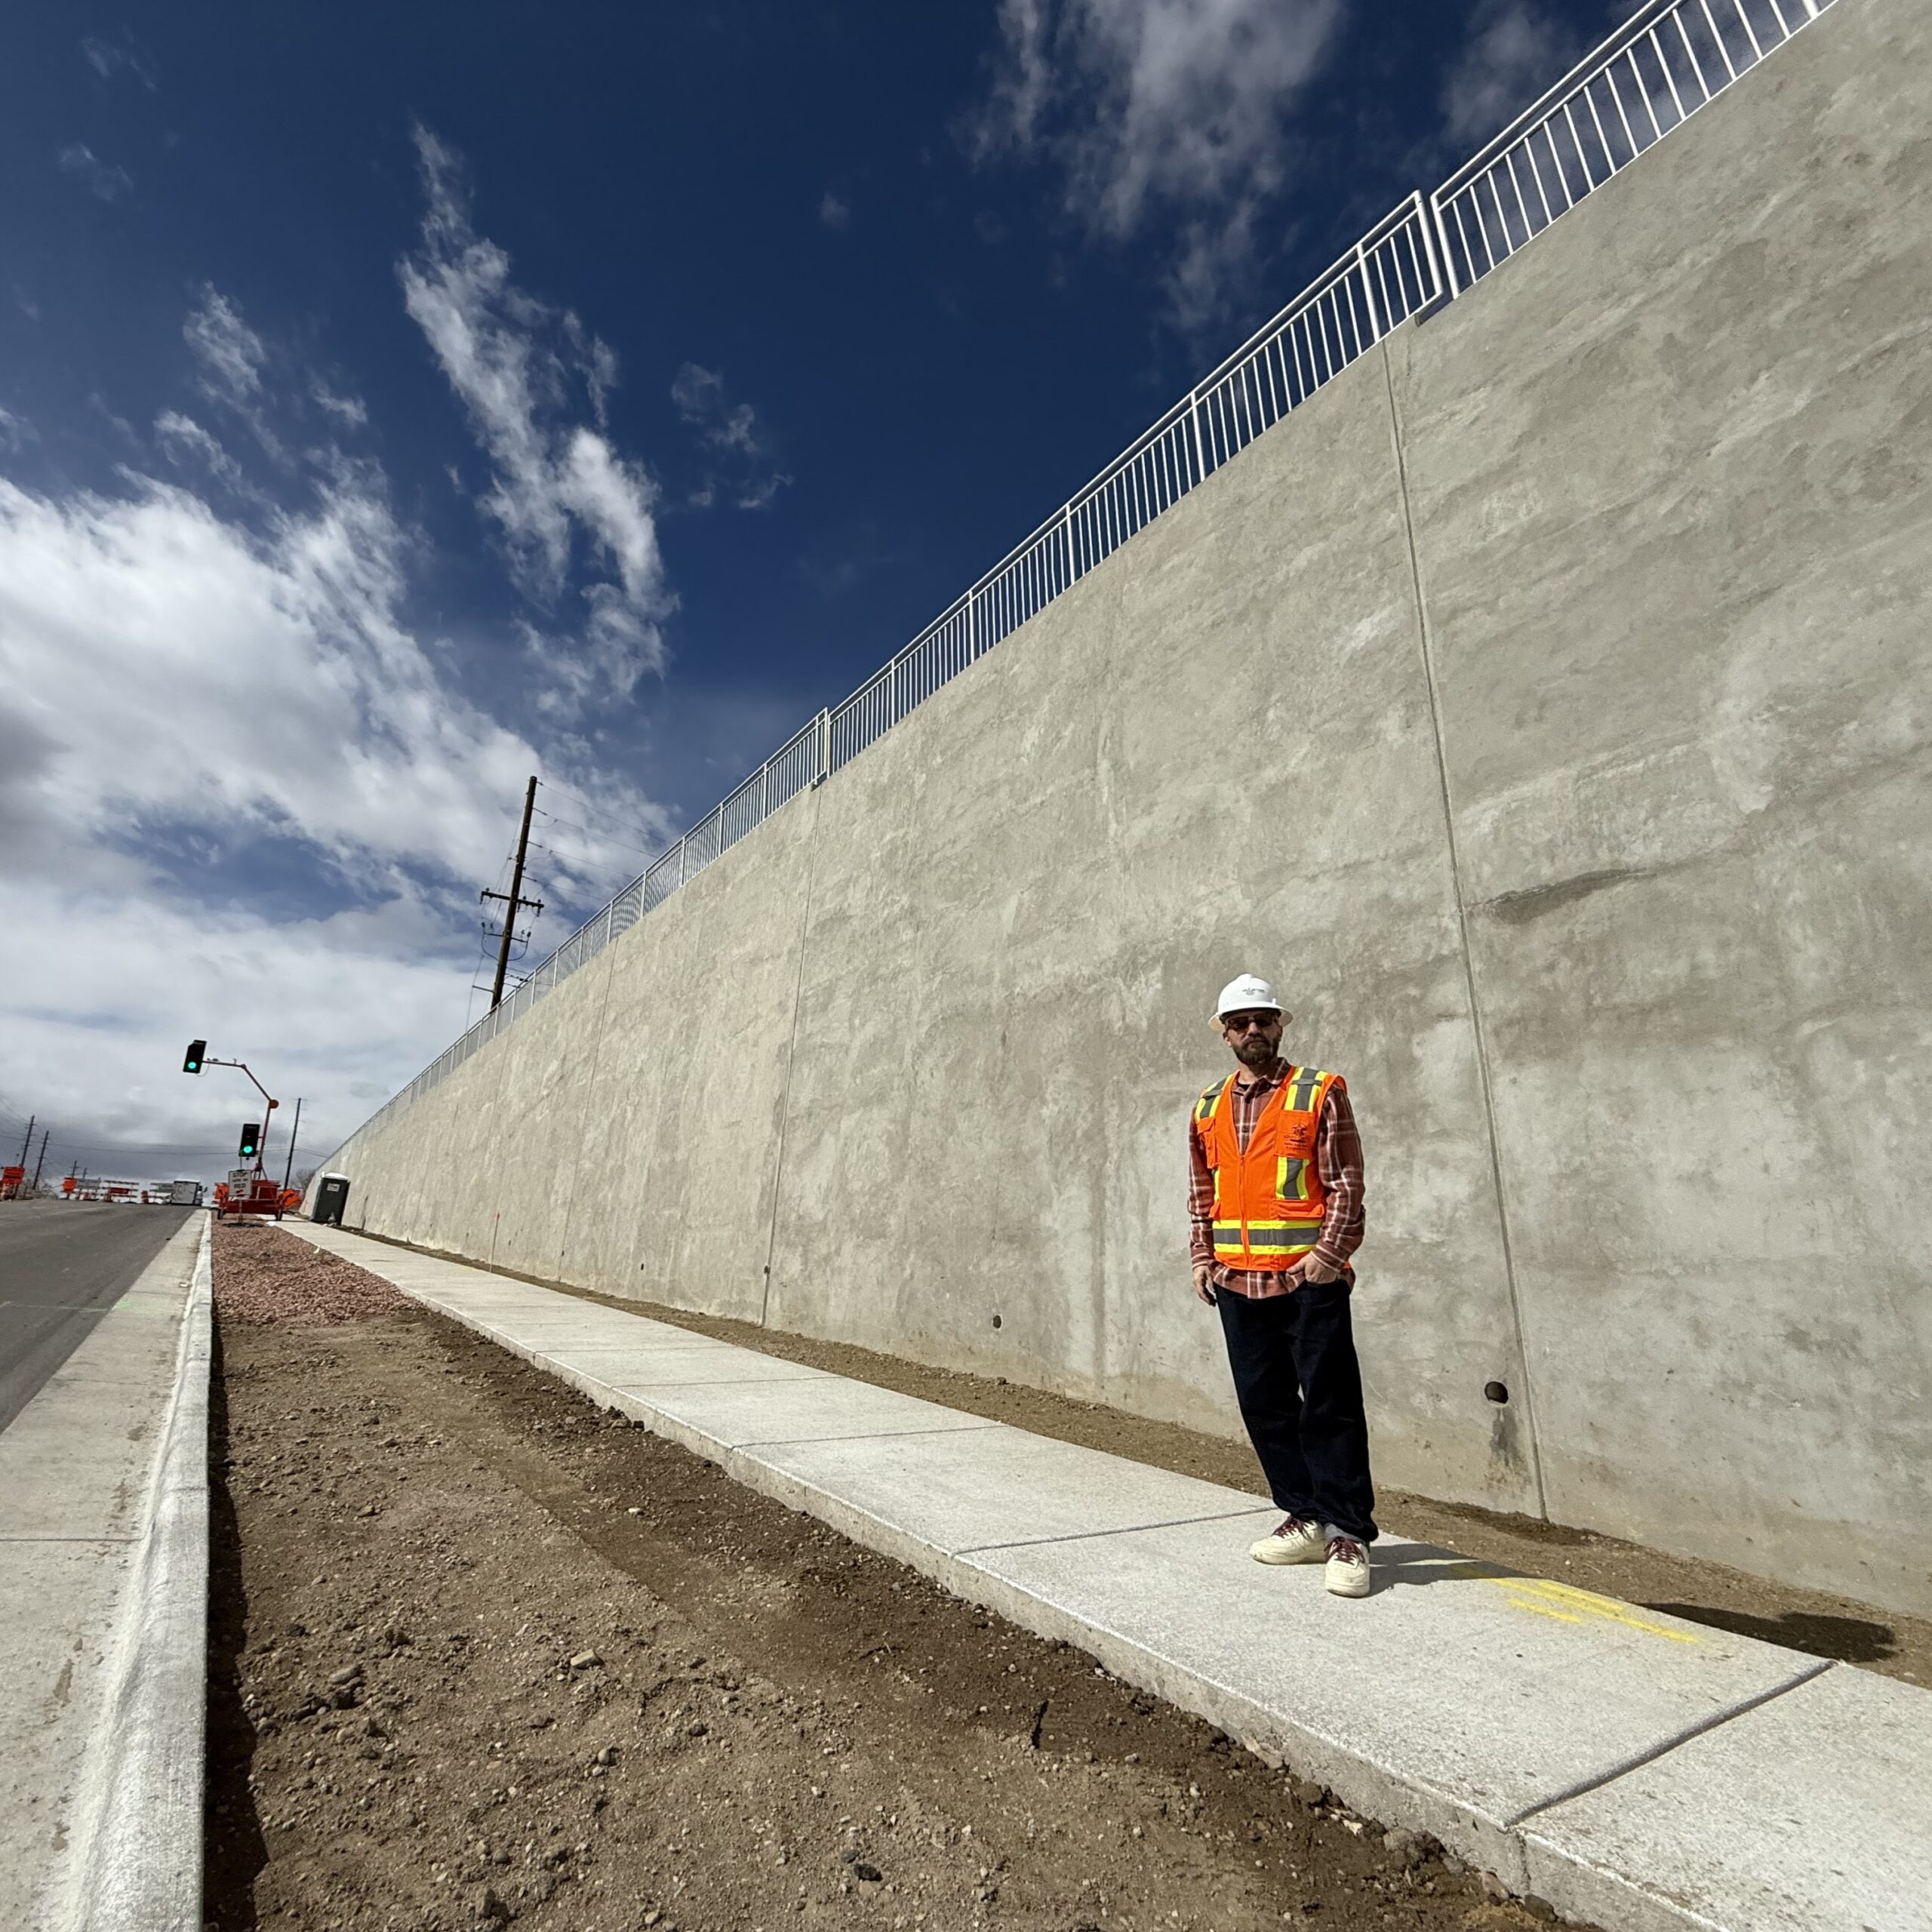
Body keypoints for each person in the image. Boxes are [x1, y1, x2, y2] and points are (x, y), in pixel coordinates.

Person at [1189, 974, 1376, 1598]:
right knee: (1264, 1406)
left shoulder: (1317, 1092)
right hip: (1238, 1283)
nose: (1252, 1031)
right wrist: (1202, 1258)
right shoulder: (1208, 1107)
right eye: (1239, 1023)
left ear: (1279, 1025)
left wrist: (1329, 1256)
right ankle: (1307, 1516)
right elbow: (1202, 1192)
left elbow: (1346, 1182)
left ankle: (1348, 1532)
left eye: (1263, 1020)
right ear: (1224, 1034)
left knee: (1329, 1405)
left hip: (1308, 1282)